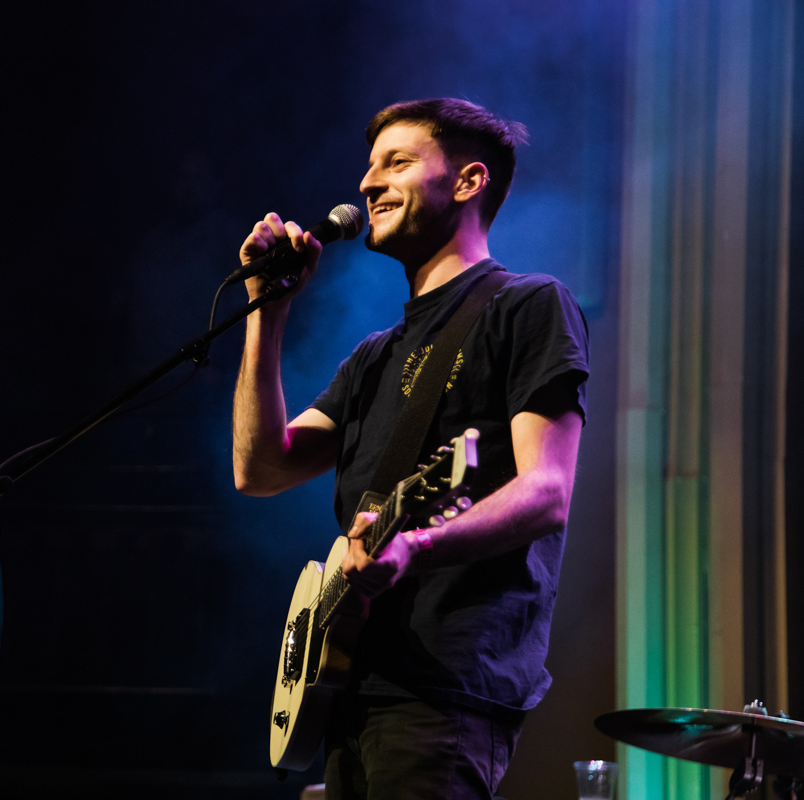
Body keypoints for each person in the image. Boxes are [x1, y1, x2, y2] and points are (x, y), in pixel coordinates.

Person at [232, 99, 589, 799]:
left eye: (397, 163)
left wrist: (417, 547)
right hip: (348, 685)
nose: (368, 183)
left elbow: (547, 490)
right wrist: (267, 312)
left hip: (443, 687)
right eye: (369, 166)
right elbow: (259, 468)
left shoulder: (528, 305)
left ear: (469, 181)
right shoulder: (373, 356)